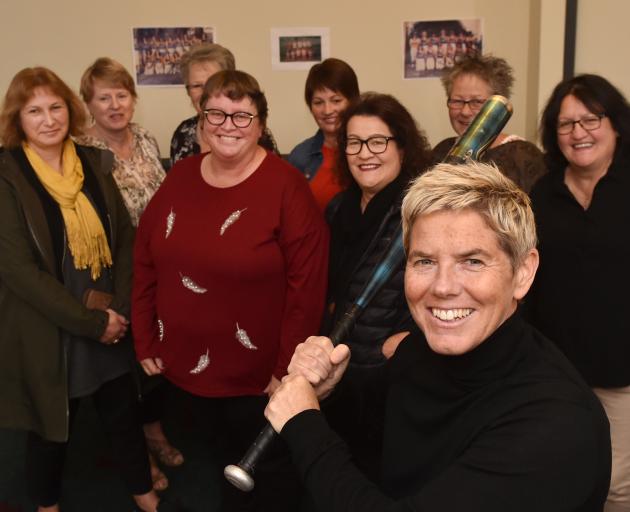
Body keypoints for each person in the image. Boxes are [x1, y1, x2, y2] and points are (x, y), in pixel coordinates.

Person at [265, 161, 611, 512]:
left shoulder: (556, 423)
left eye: (472, 261)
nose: (442, 287)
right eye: (424, 262)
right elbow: (367, 428)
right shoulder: (420, 348)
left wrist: (303, 425)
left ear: (522, 272)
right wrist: (327, 391)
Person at [133, 69, 329, 511]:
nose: (227, 125)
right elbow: (145, 259)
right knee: (208, 469)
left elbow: (307, 287)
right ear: (201, 121)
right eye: (216, 113)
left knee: (266, 479)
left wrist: (287, 372)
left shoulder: (286, 187)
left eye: (242, 116)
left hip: (259, 381)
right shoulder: (180, 177)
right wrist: (145, 333)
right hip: (184, 370)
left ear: (261, 125)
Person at [0, 67, 167, 512]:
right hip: (50, 325)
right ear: (18, 119)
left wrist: (122, 311)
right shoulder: (7, 175)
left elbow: (126, 238)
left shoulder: (92, 162)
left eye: (55, 107)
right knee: (51, 427)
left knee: (122, 412)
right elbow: (18, 271)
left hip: (110, 315)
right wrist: (91, 323)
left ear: (70, 110)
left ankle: (142, 491)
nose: (48, 119)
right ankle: (47, 504)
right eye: (34, 111)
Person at [527, 74, 630, 512]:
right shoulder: (543, 194)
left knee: (615, 488)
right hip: (555, 370)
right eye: (565, 124)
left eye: (590, 119)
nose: (578, 133)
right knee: (555, 478)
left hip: (622, 373)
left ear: (616, 125)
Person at [74, 57, 177, 492]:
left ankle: (154, 431)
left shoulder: (149, 140)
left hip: (161, 265)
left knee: (156, 354)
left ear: (133, 99)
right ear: (88, 104)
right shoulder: (80, 152)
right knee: (123, 364)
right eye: (104, 97)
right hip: (113, 273)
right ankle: (137, 450)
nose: (114, 105)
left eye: (121, 95)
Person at [320, 92, 431, 480]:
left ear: (402, 146)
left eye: (378, 141)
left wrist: (413, 339)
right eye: (354, 142)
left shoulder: (422, 210)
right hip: (342, 371)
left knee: (386, 479)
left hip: (392, 376)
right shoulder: (339, 209)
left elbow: (444, 287)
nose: (365, 152)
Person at [431, 54, 546, 192]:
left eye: (477, 102)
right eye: (457, 101)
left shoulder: (523, 156)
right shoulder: (441, 150)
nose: (465, 111)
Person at [169, 43, 277, 165]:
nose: (205, 92)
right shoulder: (182, 133)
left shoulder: (253, 132)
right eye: (197, 86)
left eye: (213, 84)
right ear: (188, 91)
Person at [287, 58, 360, 211]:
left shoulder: (369, 151)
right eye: (318, 103)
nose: (327, 110)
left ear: (353, 100)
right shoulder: (299, 157)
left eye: (336, 100)